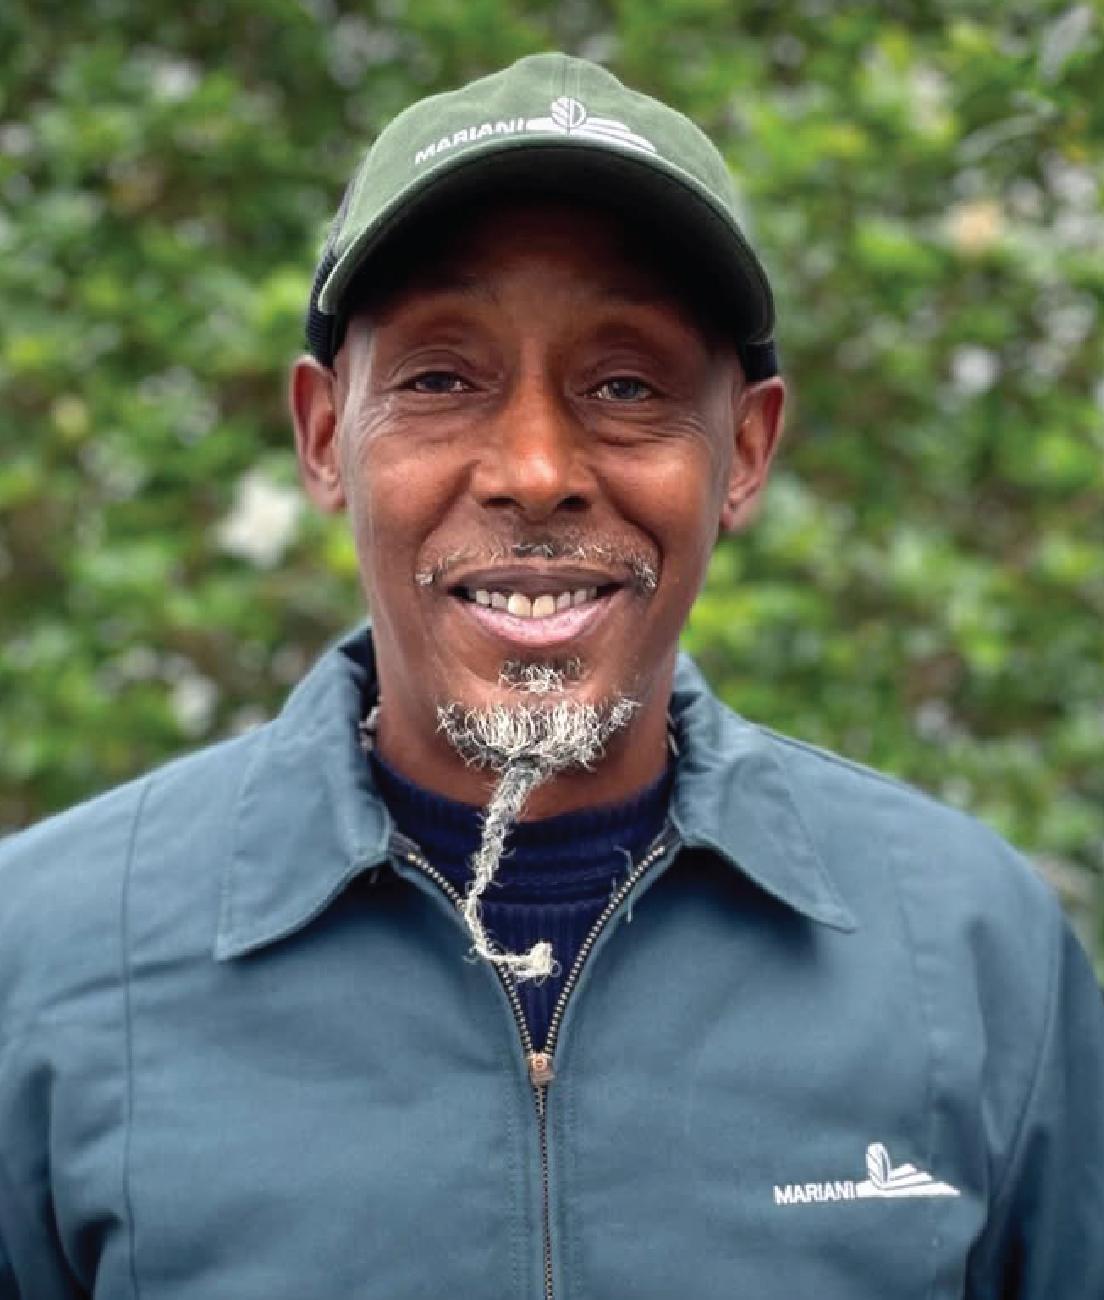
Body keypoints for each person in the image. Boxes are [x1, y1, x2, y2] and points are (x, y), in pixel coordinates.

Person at [0, 51, 1101, 1300]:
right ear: (324, 439)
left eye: (625, 385)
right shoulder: (41, 961)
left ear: (741, 454)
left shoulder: (966, 951)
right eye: (440, 379)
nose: (534, 466)